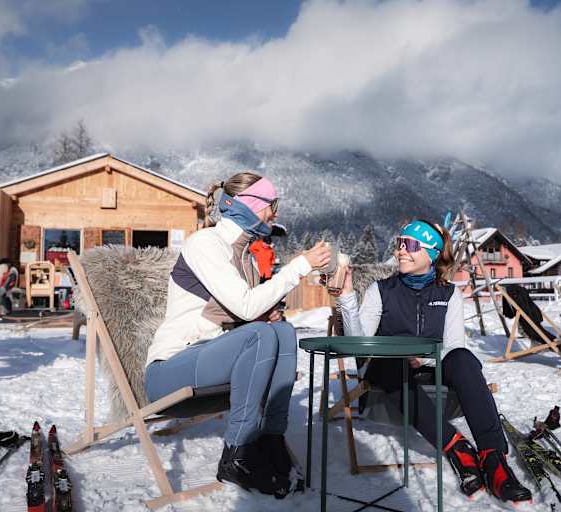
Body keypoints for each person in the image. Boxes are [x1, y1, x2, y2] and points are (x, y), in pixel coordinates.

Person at [144, 172, 331, 498]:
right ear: (248, 205)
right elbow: (245, 308)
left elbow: (242, 314)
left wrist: (264, 313)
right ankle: (238, 452)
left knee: (283, 332)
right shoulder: (206, 244)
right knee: (260, 334)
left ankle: (270, 440)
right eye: (272, 205)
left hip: (210, 362)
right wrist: (300, 266)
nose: (275, 213)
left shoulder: (244, 256)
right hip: (169, 372)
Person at [334, 219, 532, 504]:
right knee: (392, 361)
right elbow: (358, 343)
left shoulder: (449, 293)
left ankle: (493, 459)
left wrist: (424, 359)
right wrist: (348, 298)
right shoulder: (382, 290)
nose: (401, 250)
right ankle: (456, 447)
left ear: (432, 253)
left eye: (411, 245)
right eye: (400, 243)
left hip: (430, 368)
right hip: (387, 373)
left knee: (464, 359)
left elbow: (453, 347)